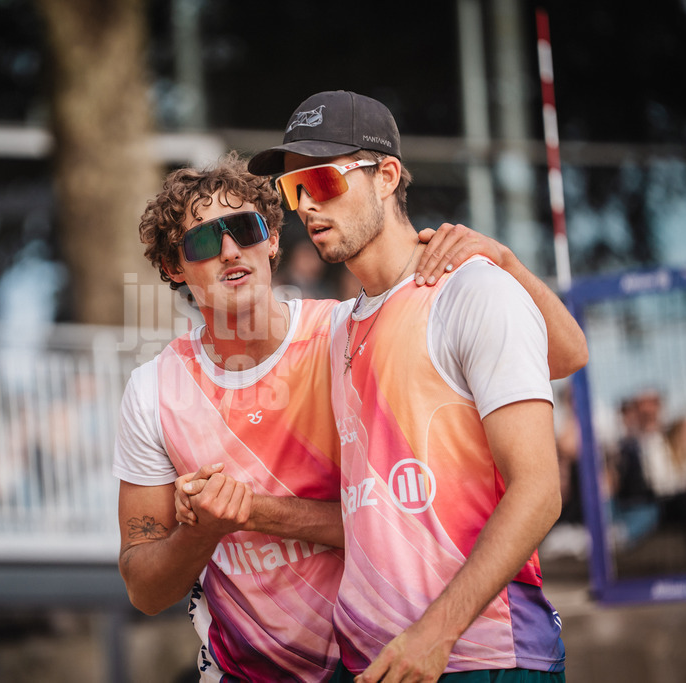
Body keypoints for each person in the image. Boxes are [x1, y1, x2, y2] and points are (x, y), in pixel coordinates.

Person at [115, 149, 587, 680]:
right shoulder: (153, 391)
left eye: (244, 229)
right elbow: (145, 589)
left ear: (271, 241)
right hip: (245, 671)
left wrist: (504, 262)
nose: (229, 250)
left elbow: (567, 355)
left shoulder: (345, 334)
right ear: (172, 267)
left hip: (371, 664)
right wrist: (202, 532)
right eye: (202, 240)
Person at [245, 90, 588, 682]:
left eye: (322, 181)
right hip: (381, 663)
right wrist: (241, 514)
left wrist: (434, 636)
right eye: (292, 189)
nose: (306, 206)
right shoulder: (338, 328)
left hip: (478, 658)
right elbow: (366, 513)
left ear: (387, 176)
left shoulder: (471, 287)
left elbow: (539, 492)